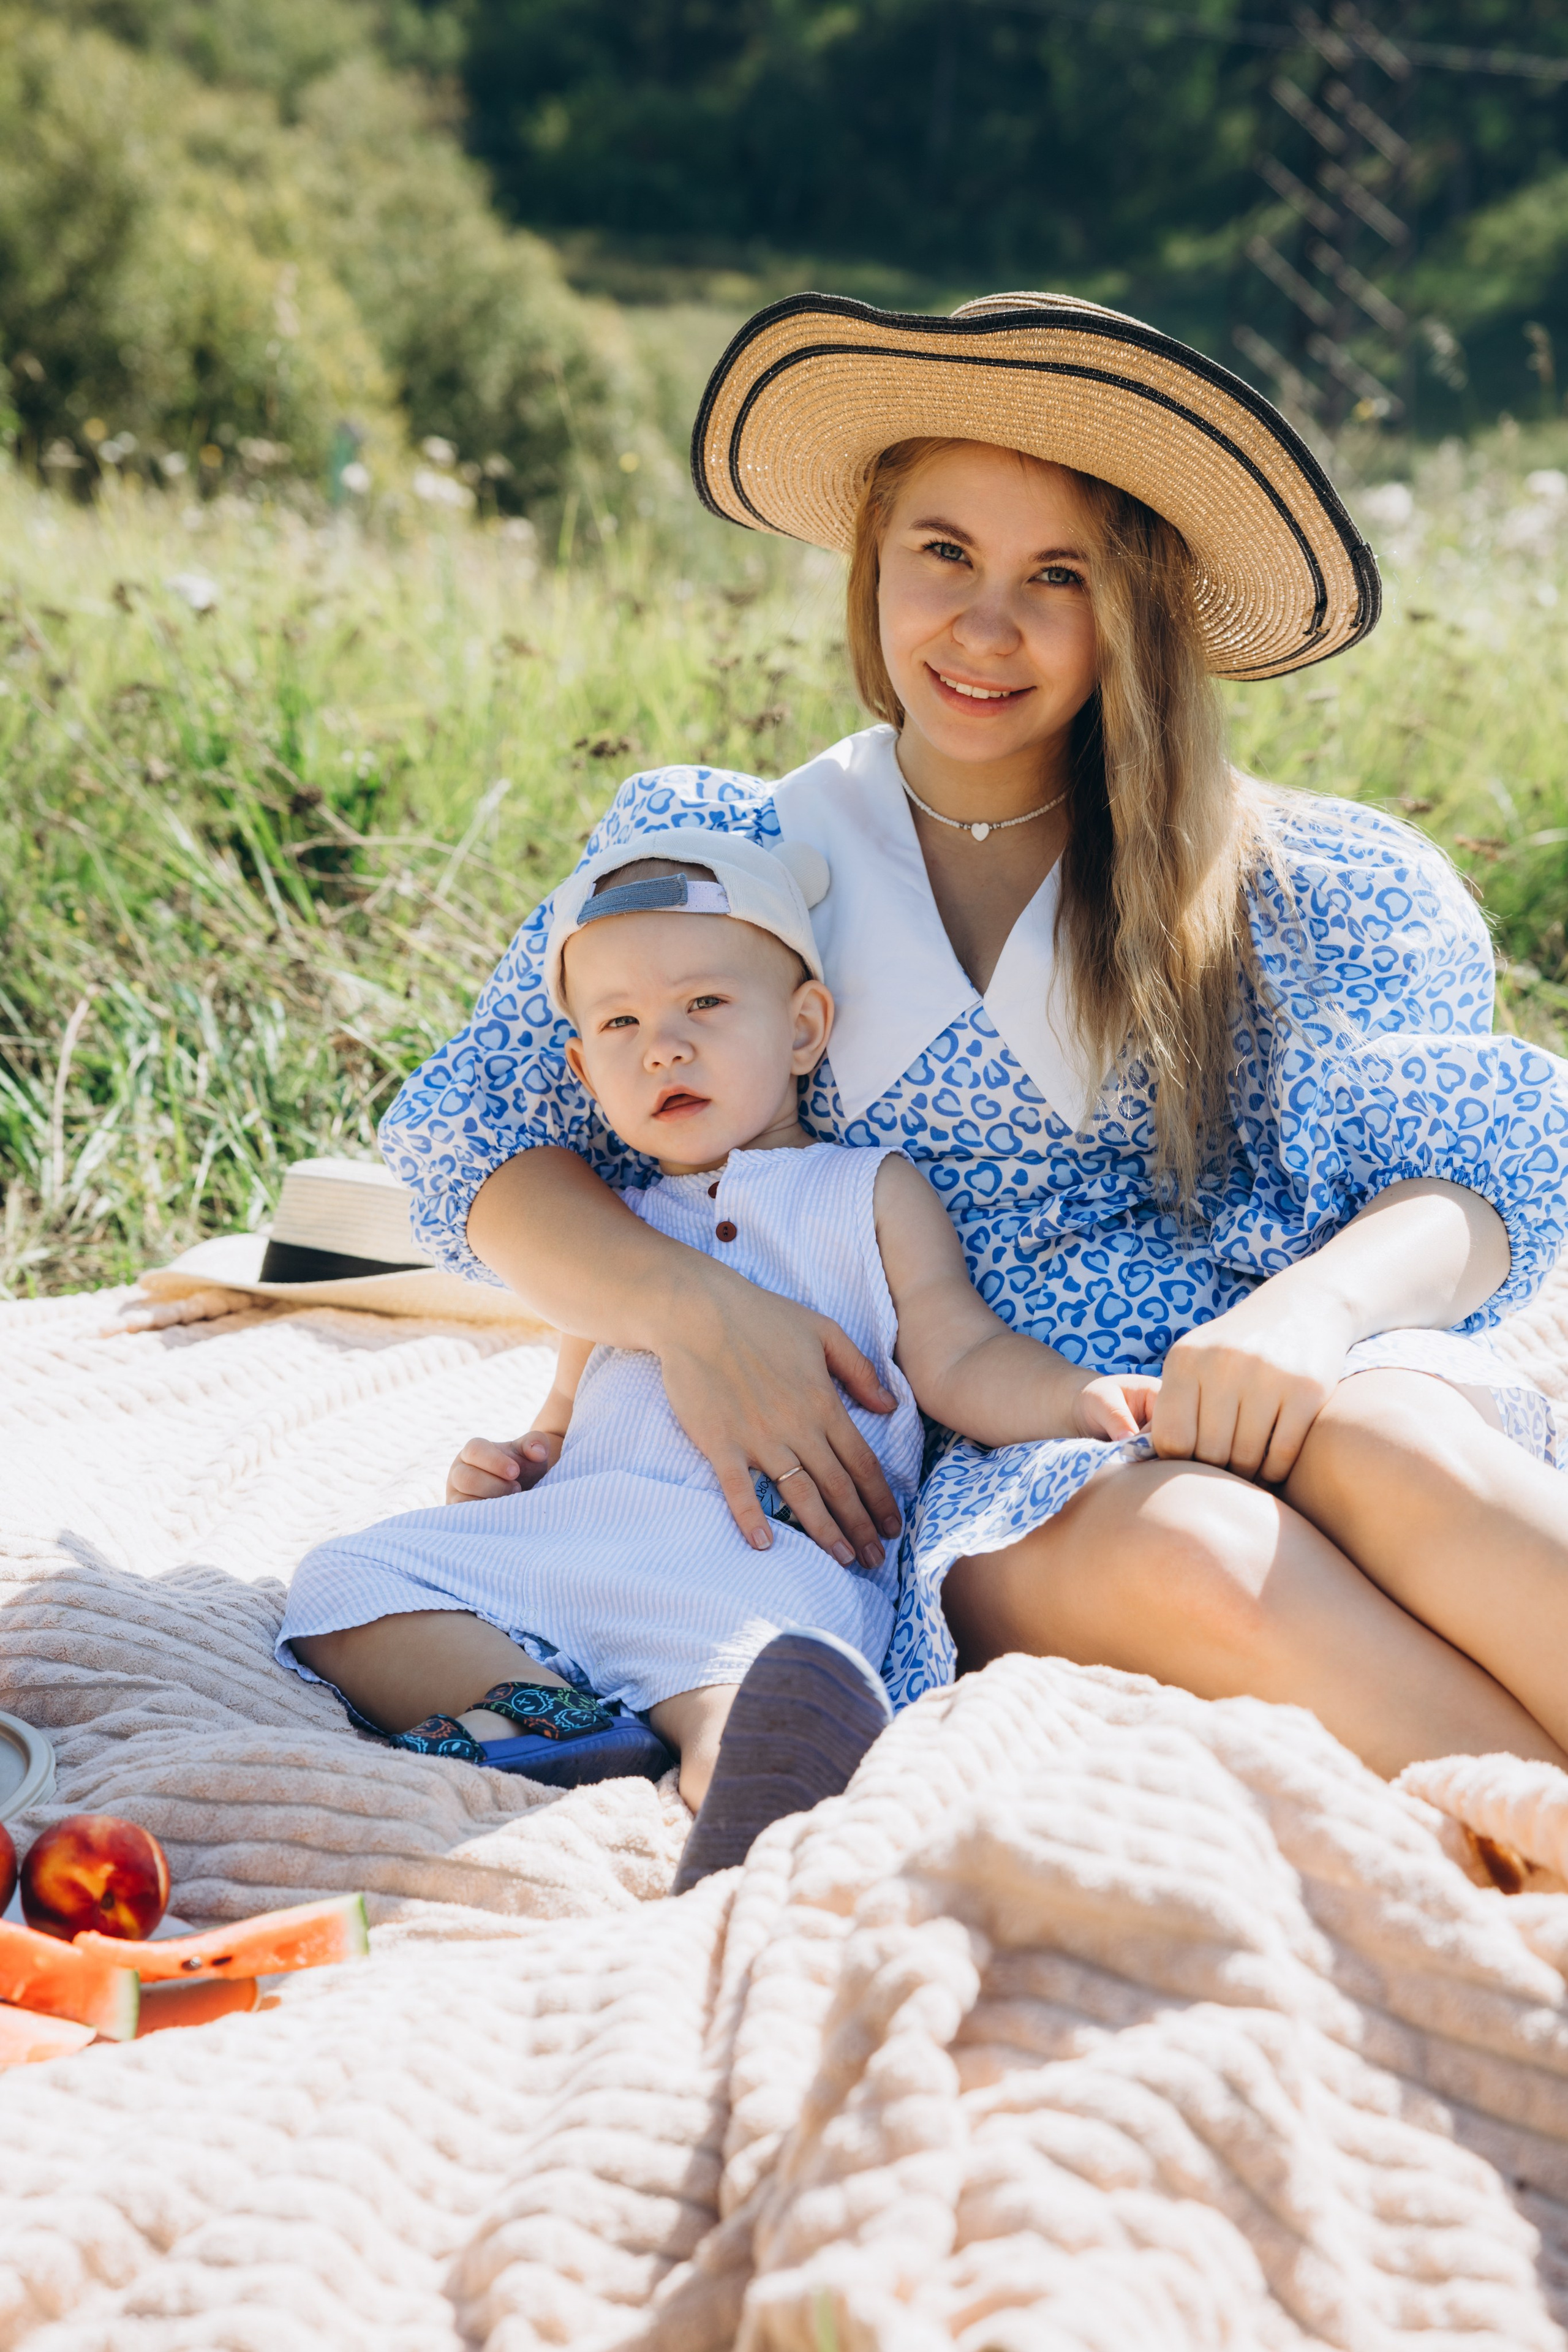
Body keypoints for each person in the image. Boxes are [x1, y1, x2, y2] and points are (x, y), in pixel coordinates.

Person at [376, 290, 1568, 1782]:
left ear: (1133, 608)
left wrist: (1310, 1316)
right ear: (871, 556)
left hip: (1256, 1354)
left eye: (1055, 576)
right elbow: (487, 1151)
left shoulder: (1285, 880)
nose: (983, 626)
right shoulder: (734, 863)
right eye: (942, 551)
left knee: (1397, 1453)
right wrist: (693, 1310)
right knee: (1203, 1555)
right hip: (981, 1439)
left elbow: (1471, 1182)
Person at [281, 832, 1156, 1868]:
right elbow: (566, 1417)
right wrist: (517, 1465)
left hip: (764, 1558)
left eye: (704, 1006)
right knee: (344, 1581)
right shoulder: (613, 1237)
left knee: (760, 1685)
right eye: (621, 1024)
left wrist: (1078, 1399)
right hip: (582, 1538)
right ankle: (568, 1723)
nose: (664, 1047)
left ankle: (734, 1781)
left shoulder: (867, 1192)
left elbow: (959, 1356)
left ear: (801, 1027)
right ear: (584, 1069)